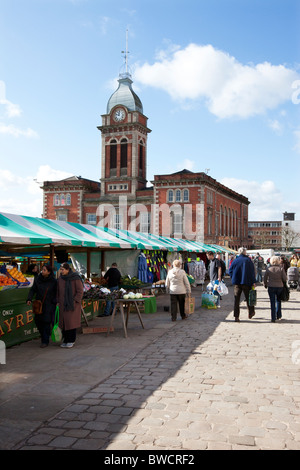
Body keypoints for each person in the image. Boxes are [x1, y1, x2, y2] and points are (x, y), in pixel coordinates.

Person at [26, 264, 57, 348]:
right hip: (39, 304)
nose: (42, 271)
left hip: (49, 304)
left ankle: (45, 340)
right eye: (42, 269)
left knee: (46, 322)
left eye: (44, 270)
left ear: (49, 272)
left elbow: (57, 292)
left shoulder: (54, 281)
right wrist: (29, 299)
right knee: (38, 321)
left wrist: (54, 301)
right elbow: (33, 290)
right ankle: (44, 335)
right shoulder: (38, 280)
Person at [57, 262, 84, 348]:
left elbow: (80, 291)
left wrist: (75, 301)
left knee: (71, 323)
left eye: (63, 269)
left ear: (68, 270)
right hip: (62, 304)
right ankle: (65, 340)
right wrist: (58, 301)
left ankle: (71, 340)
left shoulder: (75, 278)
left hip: (72, 305)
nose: (61, 271)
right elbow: (58, 291)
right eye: (60, 269)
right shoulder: (60, 279)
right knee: (64, 323)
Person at [229, 247, 256, 322]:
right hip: (246, 282)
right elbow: (252, 272)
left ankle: (236, 316)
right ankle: (251, 312)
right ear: (244, 252)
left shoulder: (235, 261)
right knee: (248, 298)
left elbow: (230, 271)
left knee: (236, 300)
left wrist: (233, 277)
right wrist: (253, 281)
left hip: (237, 283)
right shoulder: (248, 260)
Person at [264, 255, 287, 322]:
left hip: (271, 286)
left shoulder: (268, 269)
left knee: (272, 302)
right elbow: (285, 278)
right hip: (279, 286)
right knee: (278, 301)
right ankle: (279, 315)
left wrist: (265, 284)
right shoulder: (281, 268)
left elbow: (265, 278)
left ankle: (273, 317)